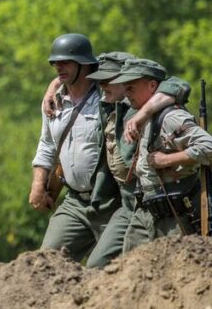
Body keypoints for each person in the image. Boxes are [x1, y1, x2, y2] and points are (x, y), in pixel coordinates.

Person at [74, 52, 189, 267]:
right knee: (100, 265)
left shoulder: (137, 105)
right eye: (100, 81)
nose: (102, 86)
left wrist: (142, 114)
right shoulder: (105, 104)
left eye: (109, 80)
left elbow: (178, 84)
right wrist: (52, 87)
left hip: (152, 200)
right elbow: (69, 79)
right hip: (121, 203)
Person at [29, 33, 120, 262]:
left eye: (66, 62)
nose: (59, 68)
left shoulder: (110, 96)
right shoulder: (53, 103)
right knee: (45, 265)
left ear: (85, 64)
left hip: (112, 202)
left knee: (104, 271)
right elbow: (47, 145)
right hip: (75, 202)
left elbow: (133, 67)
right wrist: (38, 184)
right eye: (55, 63)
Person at [108, 58, 212, 251]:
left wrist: (167, 160)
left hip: (175, 214)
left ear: (152, 85)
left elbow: (209, 147)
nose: (126, 93)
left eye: (131, 87)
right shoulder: (140, 114)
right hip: (145, 211)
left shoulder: (172, 117)